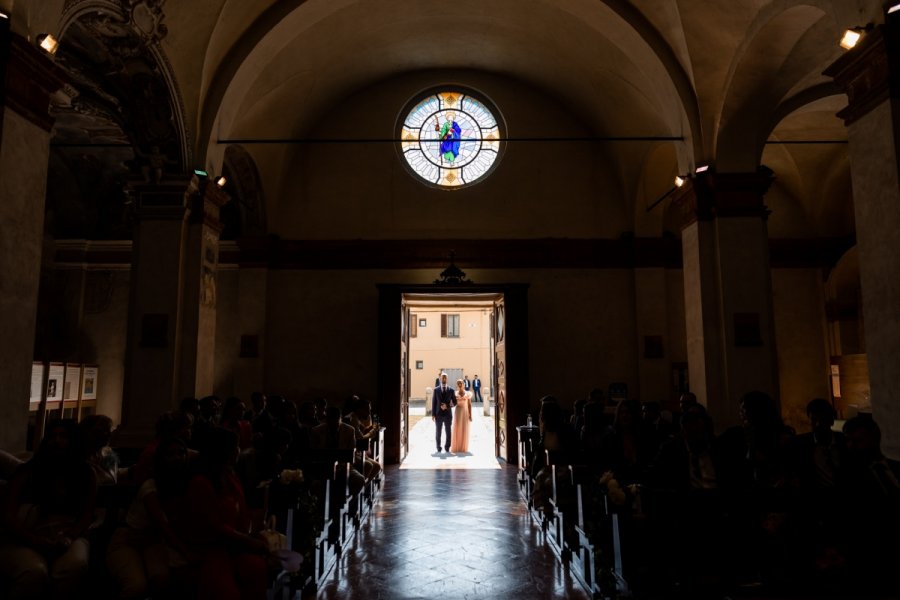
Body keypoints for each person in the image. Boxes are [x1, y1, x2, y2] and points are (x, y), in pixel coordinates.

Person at [432, 372, 457, 453]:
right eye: (442, 377)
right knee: (438, 432)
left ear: (447, 379)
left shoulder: (451, 390)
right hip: (438, 414)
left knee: (448, 432)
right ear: (440, 378)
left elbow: (455, 402)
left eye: (445, 377)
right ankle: (438, 447)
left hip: (448, 415)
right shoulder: (436, 390)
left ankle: (447, 447)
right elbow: (434, 402)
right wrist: (433, 414)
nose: (444, 379)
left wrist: (447, 406)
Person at [450, 379, 473, 453]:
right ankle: (457, 447)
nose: (460, 385)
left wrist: (470, 415)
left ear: (464, 384)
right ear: (457, 385)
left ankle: (463, 447)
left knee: (464, 428)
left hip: (465, 412)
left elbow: (469, 405)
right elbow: (452, 403)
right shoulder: (455, 393)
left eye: (461, 383)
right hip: (458, 412)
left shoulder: (468, 393)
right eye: (458, 383)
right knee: (458, 428)